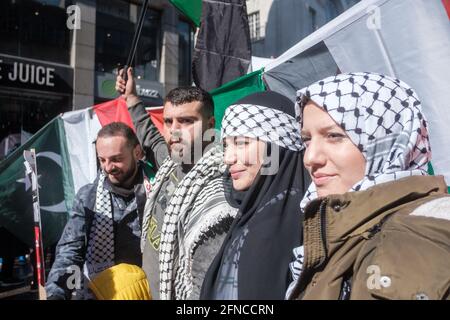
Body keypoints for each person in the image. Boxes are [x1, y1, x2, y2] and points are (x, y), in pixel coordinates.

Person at [287, 72, 450, 300]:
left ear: (389, 141)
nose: (310, 158)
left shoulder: (417, 238)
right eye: (306, 139)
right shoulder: (338, 227)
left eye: (334, 136)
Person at [116, 69, 237, 300]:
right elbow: (150, 137)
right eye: (168, 121)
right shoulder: (172, 162)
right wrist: (131, 97)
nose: (174, 131)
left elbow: (203, 283)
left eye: (186, 121)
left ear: (210, 124)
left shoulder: (218, 190)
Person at [200, 91, 310, 299]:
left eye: (242, 143)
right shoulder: (259, 209)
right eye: (226, 145)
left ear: (276, 147)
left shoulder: (273, 226)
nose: (228, 158)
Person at [45, 122, 156, 299]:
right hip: (98, 293)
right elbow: (70, 252)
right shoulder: (88, 197)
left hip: (149, 292)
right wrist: (56, 293)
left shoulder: (159, 190)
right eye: (102, 160)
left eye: (116, 159)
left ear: (136, 153)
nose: (108, 167)